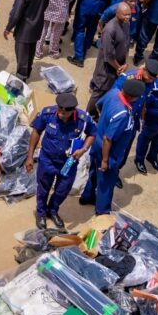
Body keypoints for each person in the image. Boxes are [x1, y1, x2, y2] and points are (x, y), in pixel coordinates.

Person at [26, 92, 95, 230]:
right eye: (60, 110)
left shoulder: (83, 119)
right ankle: (41, 213)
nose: (61, 114)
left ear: (73, 110)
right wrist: (29, 156)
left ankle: (53, 210)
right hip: (48, 160)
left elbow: (93, 133)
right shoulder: (47, 114)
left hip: (69, 162)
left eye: (65, 112)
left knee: (62, 190)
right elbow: (36, 132)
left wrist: (83, 149)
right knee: (43, 188)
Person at [80, 78, 145, 214]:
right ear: (133, 97)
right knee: (106, 183)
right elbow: (108, 139)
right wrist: (105, 161)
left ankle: (86, 197)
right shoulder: (122, 114)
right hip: (109, 153)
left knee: (93, 172)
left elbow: (99, 105)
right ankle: (102, 211)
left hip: (97, 144)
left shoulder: (114, 92)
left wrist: (104, 120)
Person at [5, 0, 51, 80]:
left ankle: (21, 77)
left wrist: (8, 28)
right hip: (37, 25)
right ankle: (27, 72)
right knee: (31, 51)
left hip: (25, 28)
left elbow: (16, 13)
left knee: (22, 55)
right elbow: (45, 4)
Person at [86, 2, 133, 114]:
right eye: (124, 15)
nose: (127, 17)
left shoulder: (127, 25)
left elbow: (126, 45)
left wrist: (125, 63)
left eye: (129, 14)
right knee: (100, 90)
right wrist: (119, 68)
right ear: (117, 13)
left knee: (111, 90)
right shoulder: (109, 29)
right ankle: (90, 114)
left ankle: (102, 110)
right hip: (106, 68)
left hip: (119, 67)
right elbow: (108, 55)